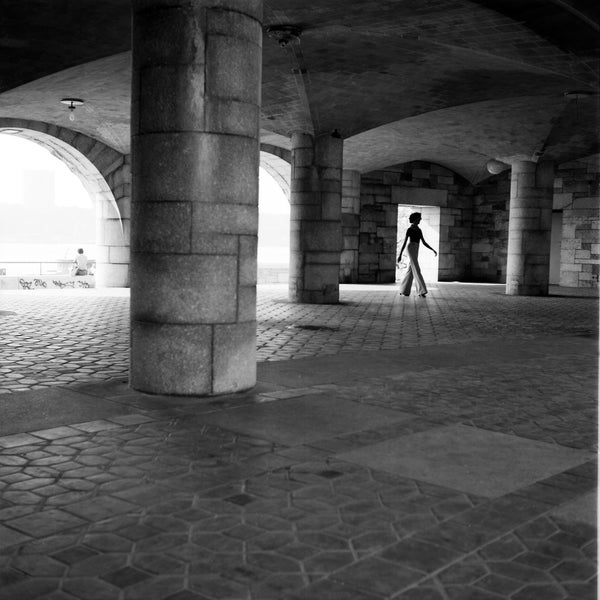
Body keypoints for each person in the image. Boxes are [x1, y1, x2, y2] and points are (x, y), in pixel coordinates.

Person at [396, 212, 437, 297]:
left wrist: (432, 249)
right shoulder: (409, 229)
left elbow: (424, 242)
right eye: (419, 218)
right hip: (410, 248)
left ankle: (404, 290)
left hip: (416, 248)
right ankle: (422, 291)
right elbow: (404, 242)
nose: (420, 219)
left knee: (411, 270)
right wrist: (400, 255)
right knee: (417, 269)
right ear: (416, 219)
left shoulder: (419, 230)